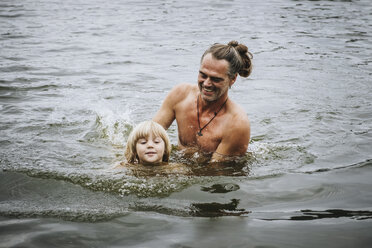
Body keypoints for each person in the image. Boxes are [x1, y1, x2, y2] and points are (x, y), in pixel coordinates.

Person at [153, 40, 253, 163]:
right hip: (179, 164)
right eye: (203, 75)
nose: (206, 84)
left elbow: (213, 172)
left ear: (232, 79)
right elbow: (149, 134)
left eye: (216, 79)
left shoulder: (237, 124)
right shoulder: (180, 94)